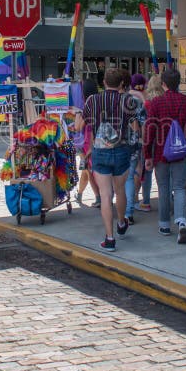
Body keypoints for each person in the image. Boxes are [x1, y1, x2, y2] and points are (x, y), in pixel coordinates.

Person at [75, 68, 138, 252]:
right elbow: (136, 127)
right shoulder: (128, 101)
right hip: (121, 151)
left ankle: (109, 238)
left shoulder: (92, 100)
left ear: (104, 82)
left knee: (105, 195)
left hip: (99, 152)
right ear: (121, 84)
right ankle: (121, 222)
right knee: (120, 191)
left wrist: (79, 114)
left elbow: (79, 128)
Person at [143, 68, 186, 244]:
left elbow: (150, 129)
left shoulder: (156, 103)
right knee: (180, 187)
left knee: (164, 188)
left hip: (161, 153)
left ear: (163, 84)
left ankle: (164, 225)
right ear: (179, 82)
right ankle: (182, 222)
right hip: (181, 152)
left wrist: (147, 154)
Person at [136, 74, 164, 212]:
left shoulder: (147, 104)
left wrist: (143, 140)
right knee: (164, 174)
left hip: (149, 141)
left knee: (146, 173)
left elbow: (143, 125)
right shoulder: (166, 101)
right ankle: (166, 202)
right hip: (164, 143)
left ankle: (146, 202)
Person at [123, 71, 147, 225]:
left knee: (113, 179)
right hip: (131, 145)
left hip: (108, 146)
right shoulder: (135, 101)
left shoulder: (103, 99)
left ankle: (114, 208)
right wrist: (143, 141)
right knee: (129, 177)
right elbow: (142, 124)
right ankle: (128, 213)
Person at [74, 79, 101, 207]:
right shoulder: (100, 102)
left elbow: (78, 127)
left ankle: (99, 197)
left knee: (89, 171)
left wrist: (77, 114)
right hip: (99, 141)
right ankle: (80, 194)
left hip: (87, 144)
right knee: (87, 170)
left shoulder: (87, 105)